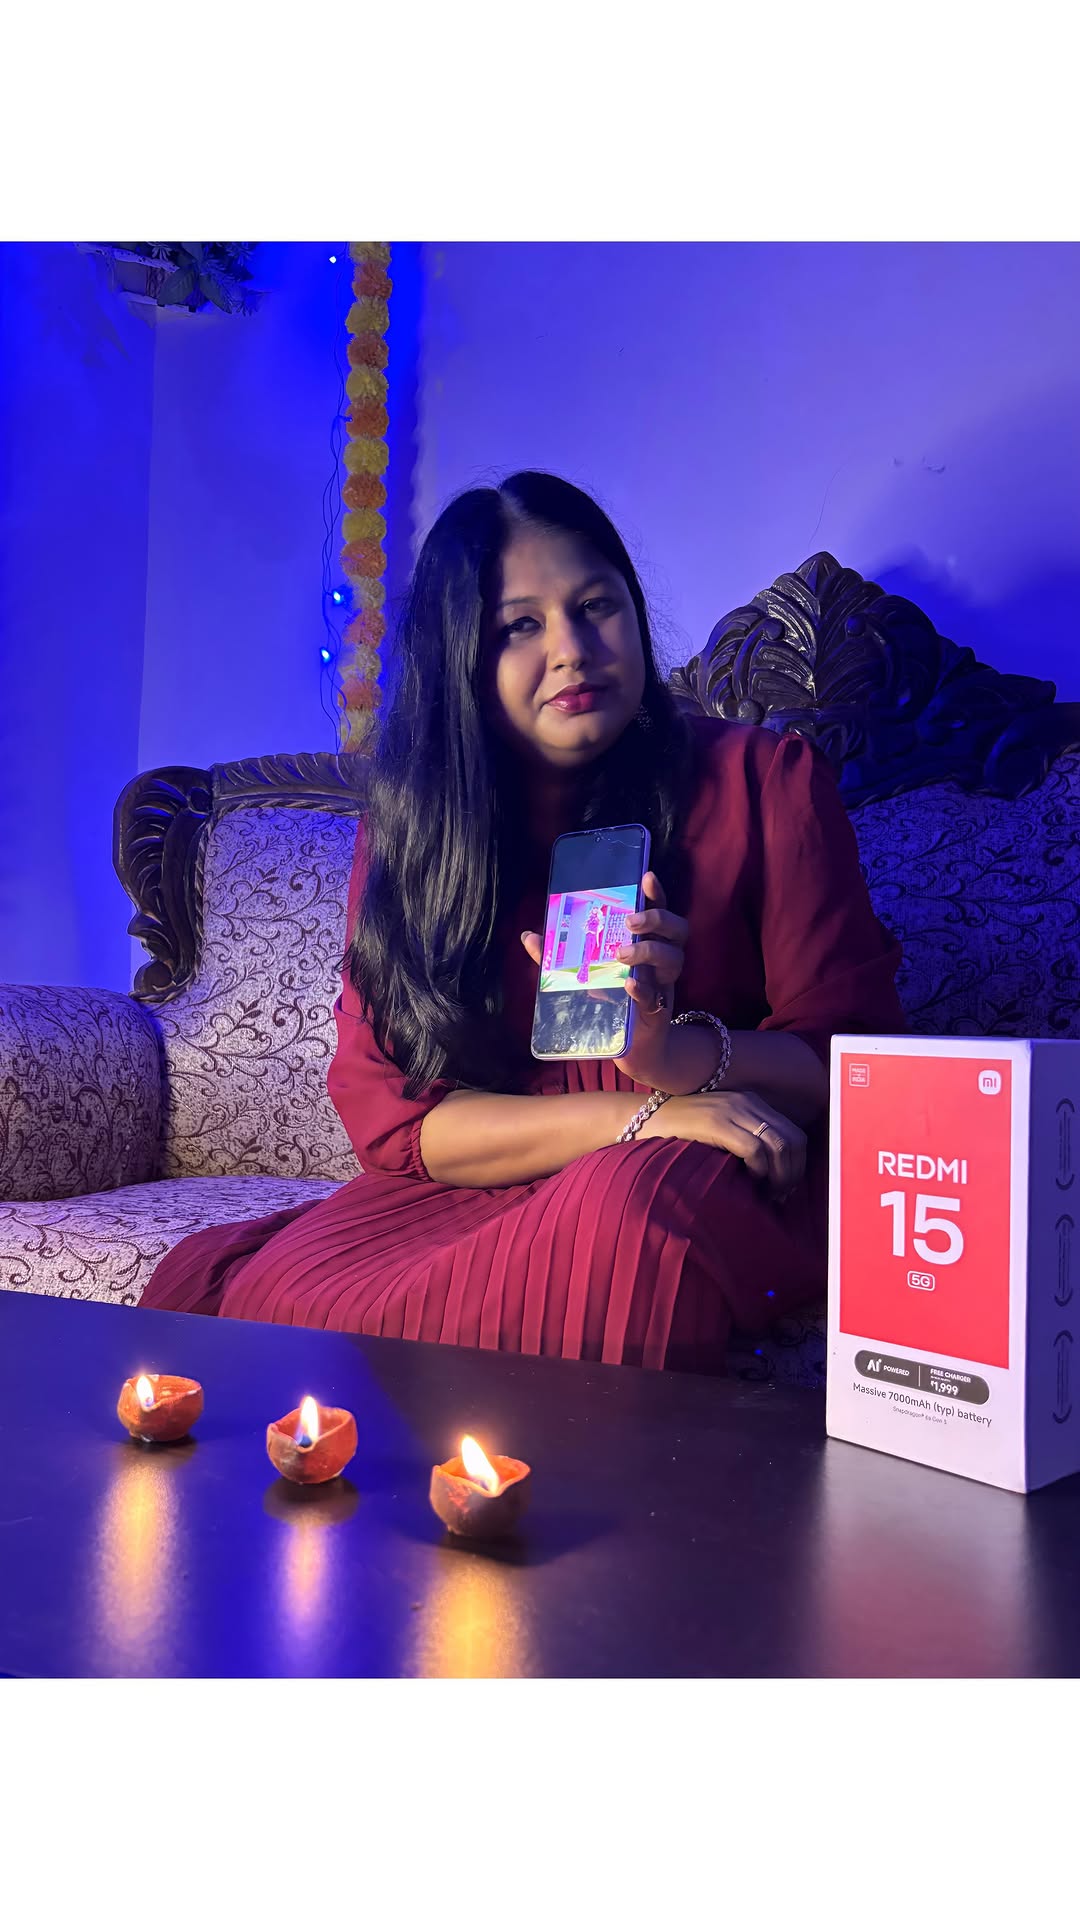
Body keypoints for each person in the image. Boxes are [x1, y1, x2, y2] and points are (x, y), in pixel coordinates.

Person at [139, 472, 903, 1371]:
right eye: (520, 627)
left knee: (627, 1230)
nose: (573, 650)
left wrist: (677, 1059)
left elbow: (859, 1073)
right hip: (506, 1163)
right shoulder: (417, 827)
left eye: (596, 606)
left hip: (701, 1160)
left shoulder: (764, 779)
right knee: (280, 1290)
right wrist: (642, 1112)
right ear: (463, 658)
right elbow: (397, 1124)